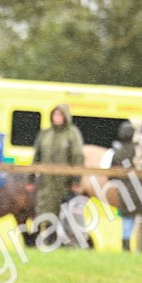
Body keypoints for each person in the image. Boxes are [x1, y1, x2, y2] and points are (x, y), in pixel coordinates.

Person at [29, 104, 85, 245]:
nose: (57, 117)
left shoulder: (72, 134)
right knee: (46, 213)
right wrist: (30, 178)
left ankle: (64, 243)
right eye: (55, 115)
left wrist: (76, 181)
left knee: (65, 214)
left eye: (60, 115)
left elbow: (77, 157)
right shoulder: (45, 133)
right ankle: (49, 241)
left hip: (64, 183)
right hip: (46, 183)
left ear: (66, 116)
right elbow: (37, 156)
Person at [109, 121, 142, 252]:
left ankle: (126, 250)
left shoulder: (117, 154)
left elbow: (111, 176)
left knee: (127, 224)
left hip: (127, 194)